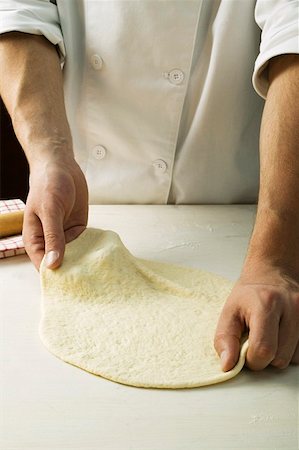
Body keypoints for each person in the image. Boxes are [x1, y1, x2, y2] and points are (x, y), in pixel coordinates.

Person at [0, 0, 298, 373]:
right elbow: (19, 12)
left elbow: (294, 38)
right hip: (86, 203)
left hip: (245, 220)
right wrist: (50, 155)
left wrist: (275, 261)